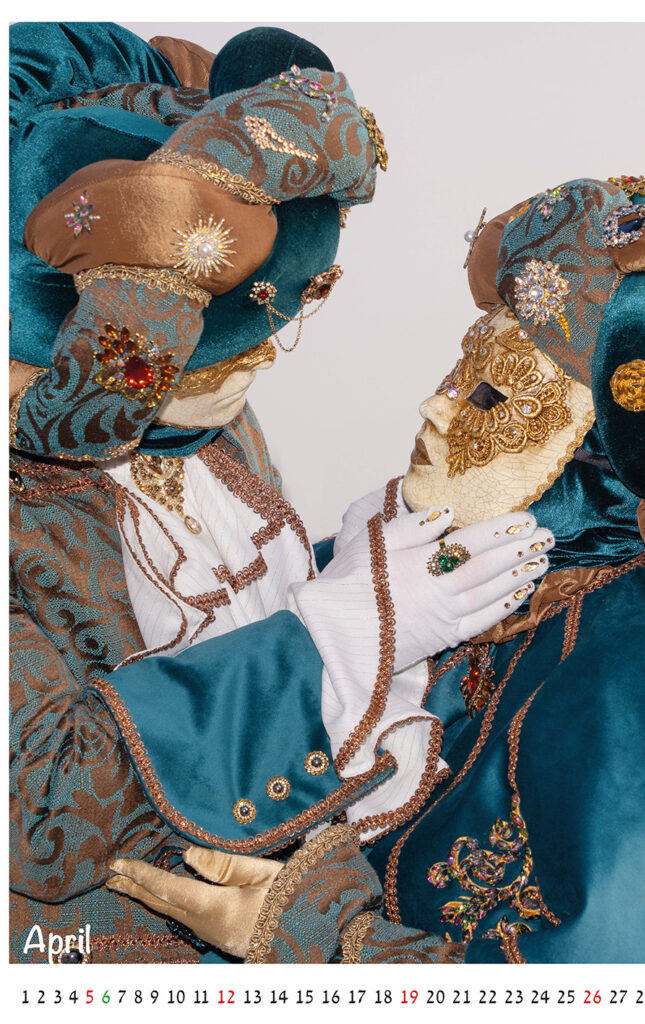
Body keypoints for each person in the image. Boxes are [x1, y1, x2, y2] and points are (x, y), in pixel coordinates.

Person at [10, 22, 546, 964]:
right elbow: (47, 808)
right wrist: (329, 637)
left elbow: (218, 606)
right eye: (219, 358)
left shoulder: (205, 426)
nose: (255, 369)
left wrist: (365, 564)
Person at [109, 176, 645, 964]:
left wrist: (318, 940)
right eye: (456, 373)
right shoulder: (393, 563)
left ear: (592, 445)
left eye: (488, 395)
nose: (438, 407)